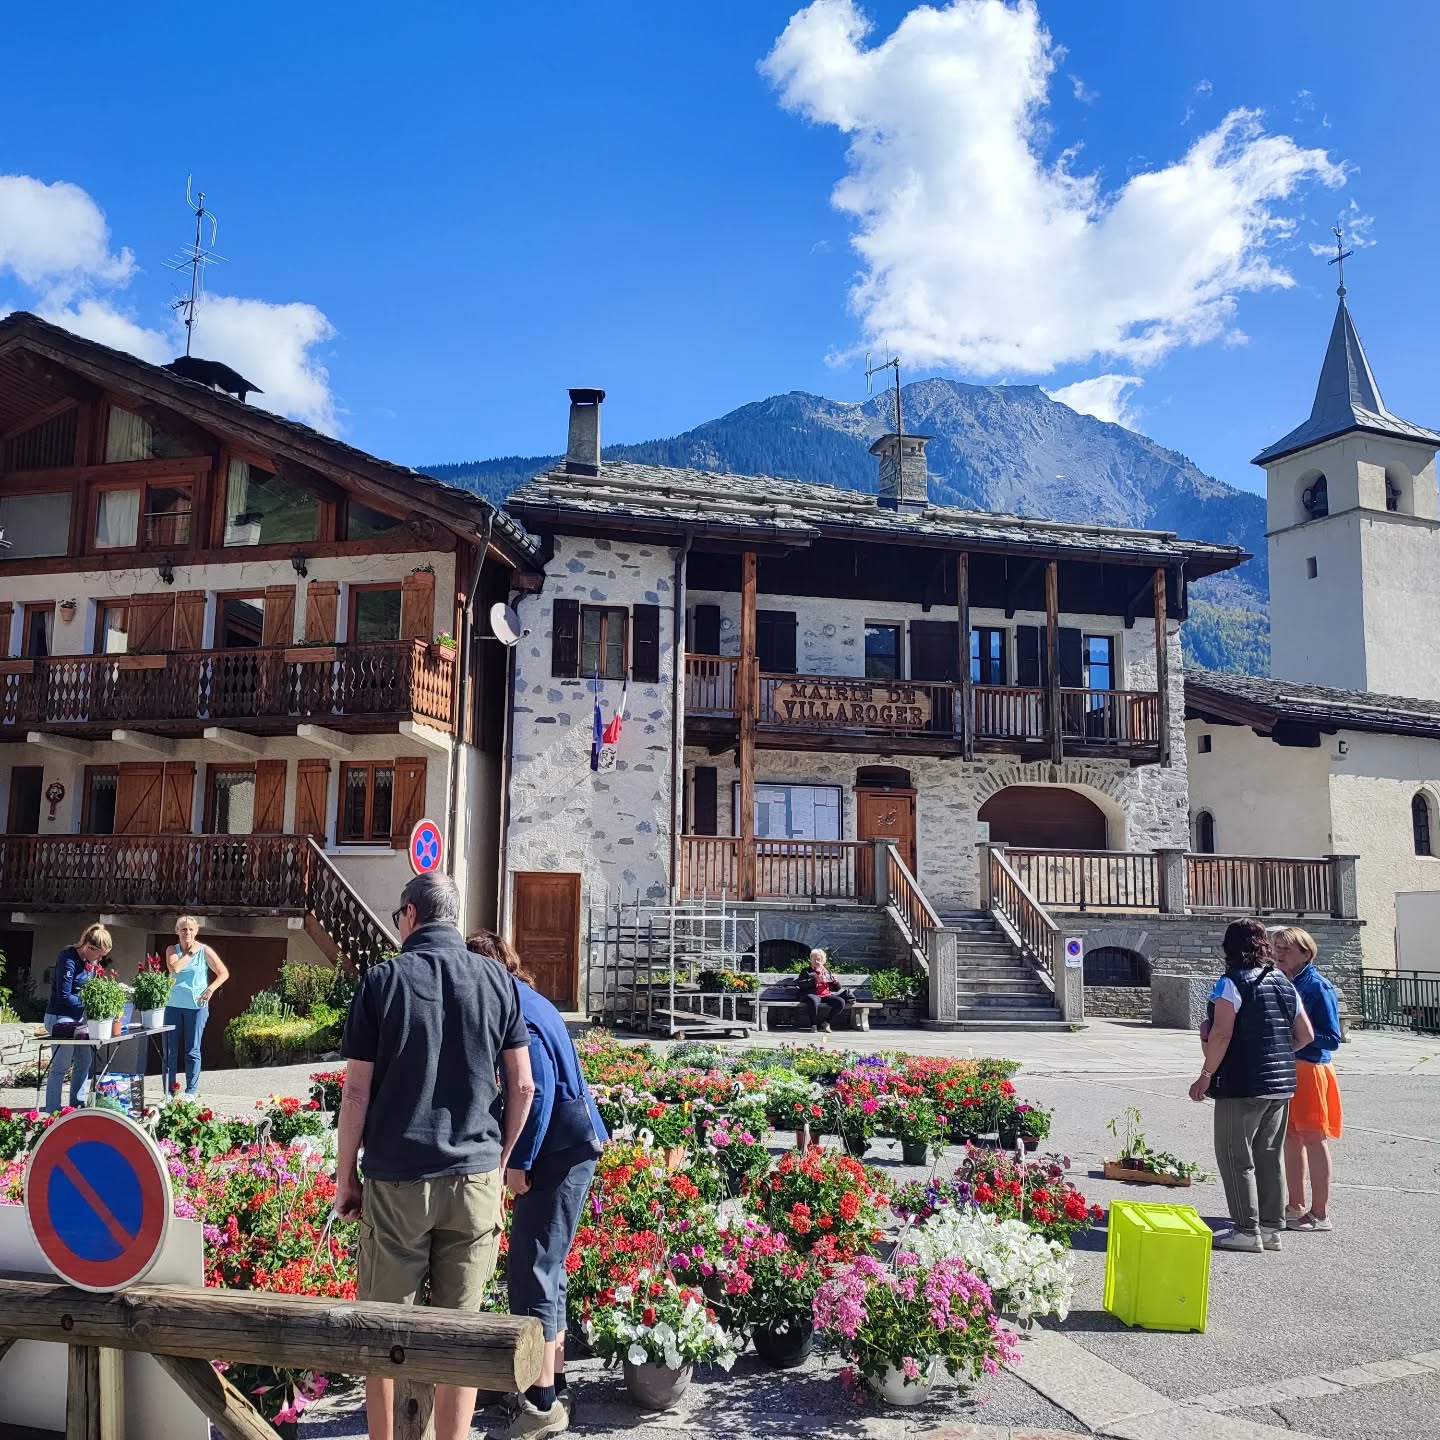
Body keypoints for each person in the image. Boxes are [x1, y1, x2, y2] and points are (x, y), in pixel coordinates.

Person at [337, 873, 536, 1440]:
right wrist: (498, 1168)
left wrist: (344, 1175)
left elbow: (355, 1092)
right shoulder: (499, 980)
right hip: (474, 1178)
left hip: (397, 1181)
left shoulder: (382, 981)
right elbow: (522, 1087)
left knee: (385, 1333)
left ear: (409, 916)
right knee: (460, 1337)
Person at [467, 931, 607, 1440]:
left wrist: (517, 1161)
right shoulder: (529, 996)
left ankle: (540, 1404)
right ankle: (557, 1377)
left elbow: (535, 1091)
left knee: (532, 1267)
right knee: (549, 1266)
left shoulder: (515, 1009)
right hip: (574, 1144)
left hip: (557, 1151)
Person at [1189, 918, 1314, 1253]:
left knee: (1234, 1156)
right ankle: (1271, 1227)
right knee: (1269, 1155)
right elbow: (1305, 1036)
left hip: (1243, 1083)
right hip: (1282, 1083)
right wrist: (1275, 1054)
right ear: (1265, 947)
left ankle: (1246, 1230)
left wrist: (1205, 1076)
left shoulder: (1230, 983)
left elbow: (1221, 1033)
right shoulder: (1285, 981)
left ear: (1229, 948)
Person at [1273, 927, 1343, 1232]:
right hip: (1291, 1067)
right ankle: (1296, 1205)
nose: (1279, 953)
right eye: (1276, 948)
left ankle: (1320, 1212)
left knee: (1314, 1138)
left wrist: (1293, 1039)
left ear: (1305, 952)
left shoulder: (1317, 986)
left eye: (1286, 949)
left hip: (1311, 1068)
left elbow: (1331, 1038)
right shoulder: (1285, 980)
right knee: (1291, 1137)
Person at [43, 923, 111, 1112]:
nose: (99, 960)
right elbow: (64, 996)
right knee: (61, 1066)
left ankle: (77, 1106)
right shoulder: (68, 958)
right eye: (98, 955)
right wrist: (89, 1002)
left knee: (84, 1060)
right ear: (89, 947)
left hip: (79, 1021)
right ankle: (53, 1112)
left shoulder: (91, 962)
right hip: (60, 1018)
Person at [163, 915, 229, 1102]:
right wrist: (190, 953)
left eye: (191, 929)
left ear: (196, 931)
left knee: (192, 1049)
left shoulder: (205, 950)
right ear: (177, 932)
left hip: (196, 1007)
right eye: (183, 929)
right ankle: (169, 1091)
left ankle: (191, 1091)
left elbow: (223, 972)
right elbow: (175, 968)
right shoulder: (172, 950)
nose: (187, 933)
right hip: (173, 1005)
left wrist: (211, 988)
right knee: (170, 1051)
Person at [797, 947, 849, 1032]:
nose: (816, 962)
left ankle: (826, 1022)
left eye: (819, 959)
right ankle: (813, 1025)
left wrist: (836, 982)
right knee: (812, 1000)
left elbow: (837, 989)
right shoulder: (806, 971)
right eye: (814, 959)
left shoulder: (827, 971)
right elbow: (801, 984)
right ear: (810, 960)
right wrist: (815, 981)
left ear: (823, 961)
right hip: (814, 994)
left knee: (840, 1002)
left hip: (826, 995)